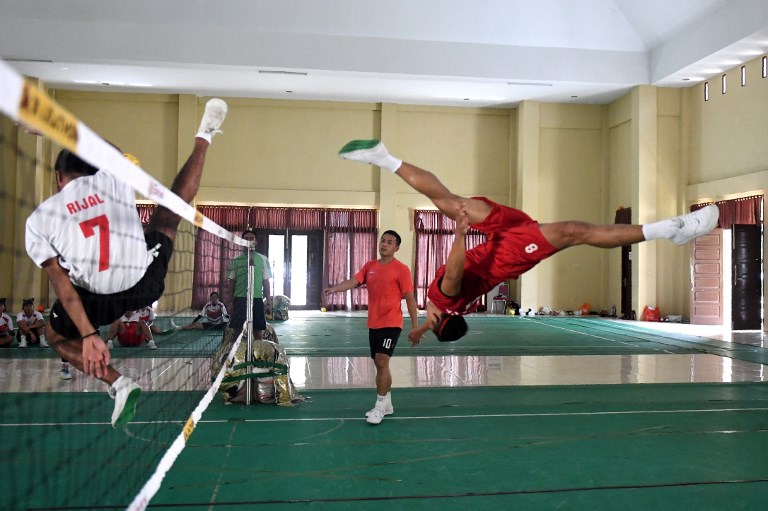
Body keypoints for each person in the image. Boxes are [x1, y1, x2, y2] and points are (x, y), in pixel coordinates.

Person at [338, 139, 720, 344]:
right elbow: (453, 273)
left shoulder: (442, 309)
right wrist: (457, 235)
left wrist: (421, 328)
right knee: (574, 231)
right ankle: (669, 229)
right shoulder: (445, 300)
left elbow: (441, 300)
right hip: (507, 254)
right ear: (441, 320)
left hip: (499, 237)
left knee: (453, 202)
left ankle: (384, 158)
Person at [24, 98, 228, 428]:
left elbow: (61, 284)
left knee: (56, 337)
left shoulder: (40, 218)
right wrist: (58, 128)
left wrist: (90, 336)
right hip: (143, 282)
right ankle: (205, 136)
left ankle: (118, 382)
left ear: (58, 176)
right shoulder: (112, 175)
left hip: (97, 299)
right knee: (168, 214)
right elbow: (106, 148)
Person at [323, 230, 419, 425]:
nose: (384, 244)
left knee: (382, 361)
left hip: (392, 322)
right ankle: (388, 403)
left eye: (389, 242)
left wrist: (416, 326)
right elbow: (354, 281)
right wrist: (335, 288)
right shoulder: (370, 266)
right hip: (374, 322)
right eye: (383, 241)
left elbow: (409, 298)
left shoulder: (402, 269)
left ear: (396, 248)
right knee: (379, 363)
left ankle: (380, 405)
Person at [226, 228, 272, 340]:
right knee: (237, 331)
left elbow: (266, 281)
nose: (249, 241)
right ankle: (236, 355)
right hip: (240, 299)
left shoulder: (263, 259)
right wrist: (229, 303)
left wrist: (269, 302)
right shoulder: (234, 260)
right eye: (246, 239)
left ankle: (257, 356)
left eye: (252, 238)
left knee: (258, 332)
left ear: (256, 242)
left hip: (256, 299)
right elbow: (231, 283)